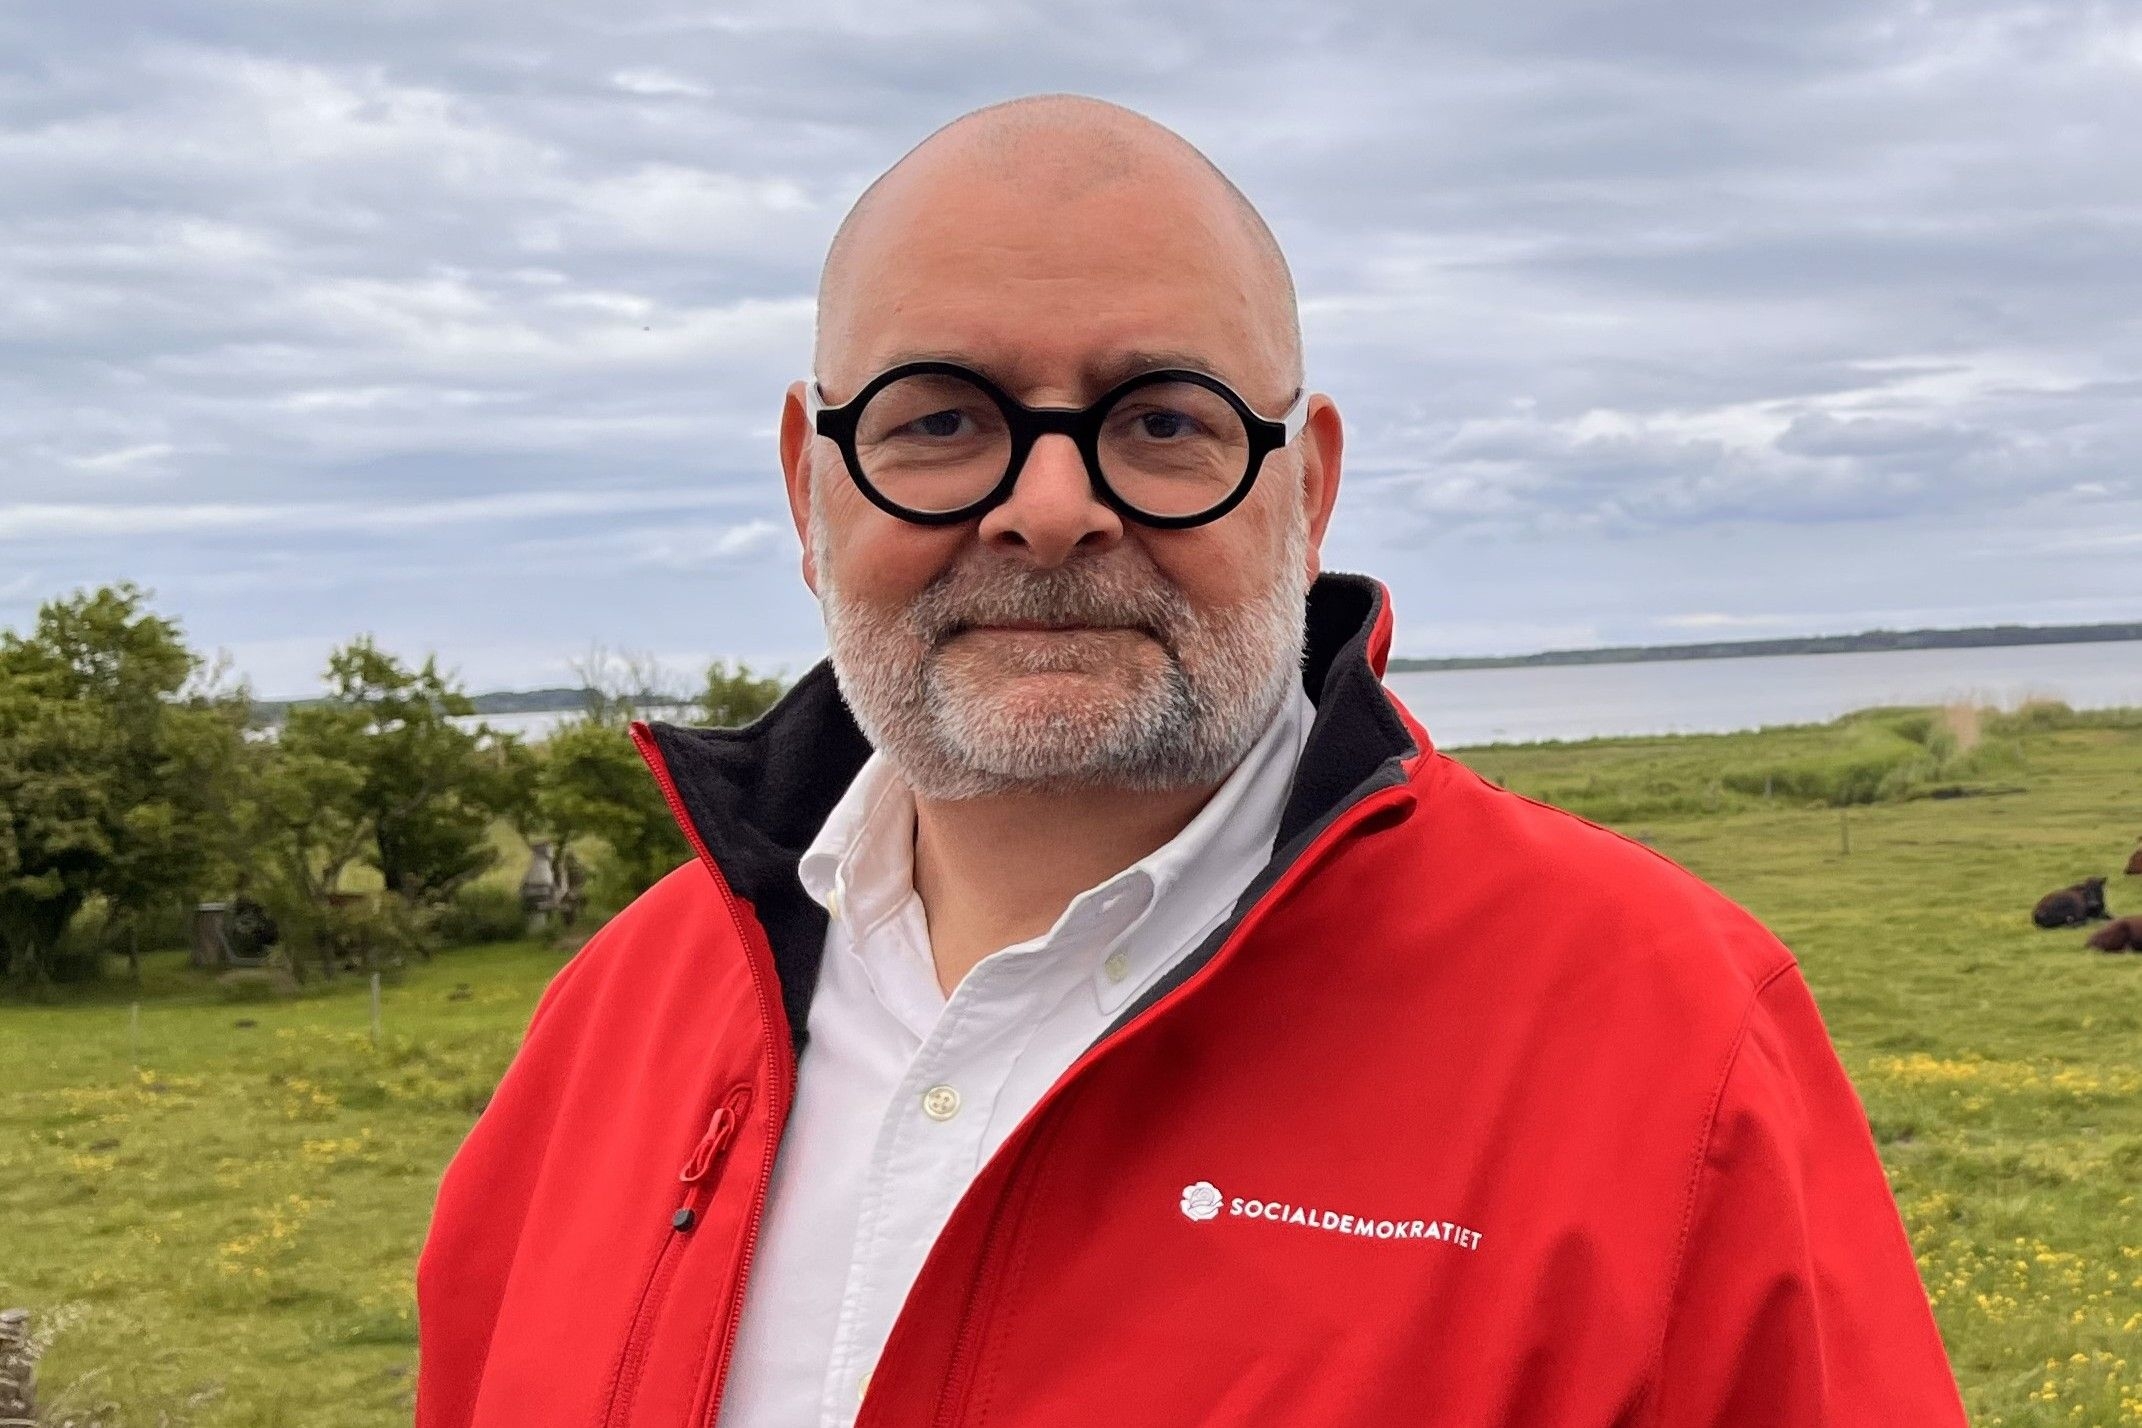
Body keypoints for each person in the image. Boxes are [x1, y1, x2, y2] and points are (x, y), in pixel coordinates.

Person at [415, 95, 1967, 1427]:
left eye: (1162, 422)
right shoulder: (613, 1025)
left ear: (1308, 492)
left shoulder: (1671, 1048)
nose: (1045, 512)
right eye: (937, 420)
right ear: (805, 486)